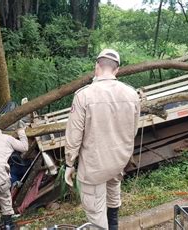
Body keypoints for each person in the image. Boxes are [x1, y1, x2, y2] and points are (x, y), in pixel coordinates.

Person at [64, 49, 140, 229]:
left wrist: (69, 163)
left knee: (96, 213)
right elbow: (133, 130)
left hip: (94, 166)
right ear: (117, 70)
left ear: (96, 66)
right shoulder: (131, 94)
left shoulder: (84, 95)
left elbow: (74, 135)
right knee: (113, 195)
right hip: (118, 161)